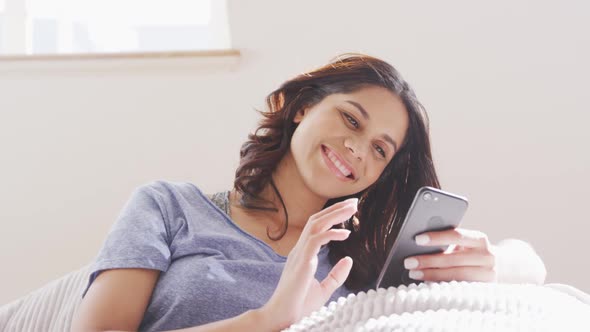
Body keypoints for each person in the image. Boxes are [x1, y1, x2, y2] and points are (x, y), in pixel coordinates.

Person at [71, 53, 547, 332]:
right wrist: (266, 319)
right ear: (299, 108)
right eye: (350, 119)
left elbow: (533, 264)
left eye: (380, 149)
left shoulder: (356, 262)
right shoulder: (170, 207)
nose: (357, 149)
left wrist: (497, 264)